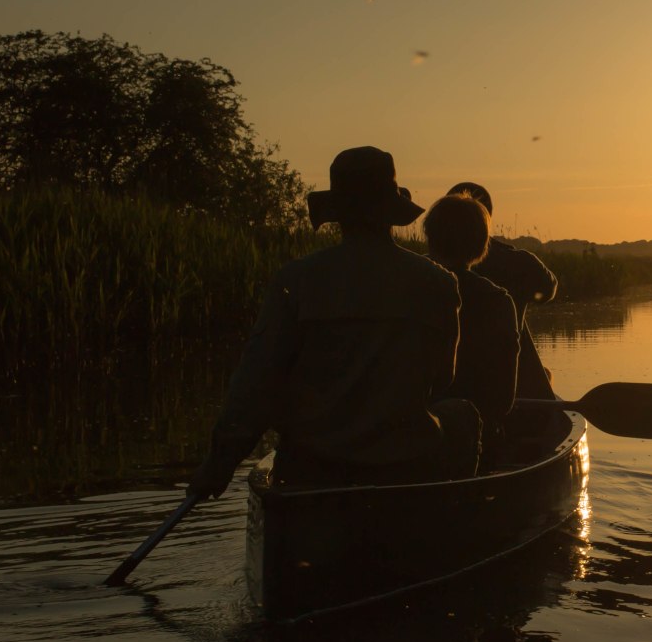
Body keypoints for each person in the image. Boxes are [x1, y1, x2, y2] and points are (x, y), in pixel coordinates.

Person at [188, 146, 476, 498]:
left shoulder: (296, 279)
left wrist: (218, 466)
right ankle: (454, 520)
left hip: (311, 468)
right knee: (460, 416)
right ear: (390, 213)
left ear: (338, 214)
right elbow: (442, 380)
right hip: (404, 464)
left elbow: (256, 385)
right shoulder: (439, 283)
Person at [421, 193, 520, 450]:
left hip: (409, 434)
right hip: (477, 438)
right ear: (481, 244)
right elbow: (503, 400)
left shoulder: (405, 288)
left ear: (431, 238)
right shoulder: (498, 300)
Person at [449, 182, 560, 400]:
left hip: (447, 389)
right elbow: (549, 290)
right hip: (509, 389)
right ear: (487, 220)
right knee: (544, 374)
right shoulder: (519, 262)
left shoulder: (424, 268)